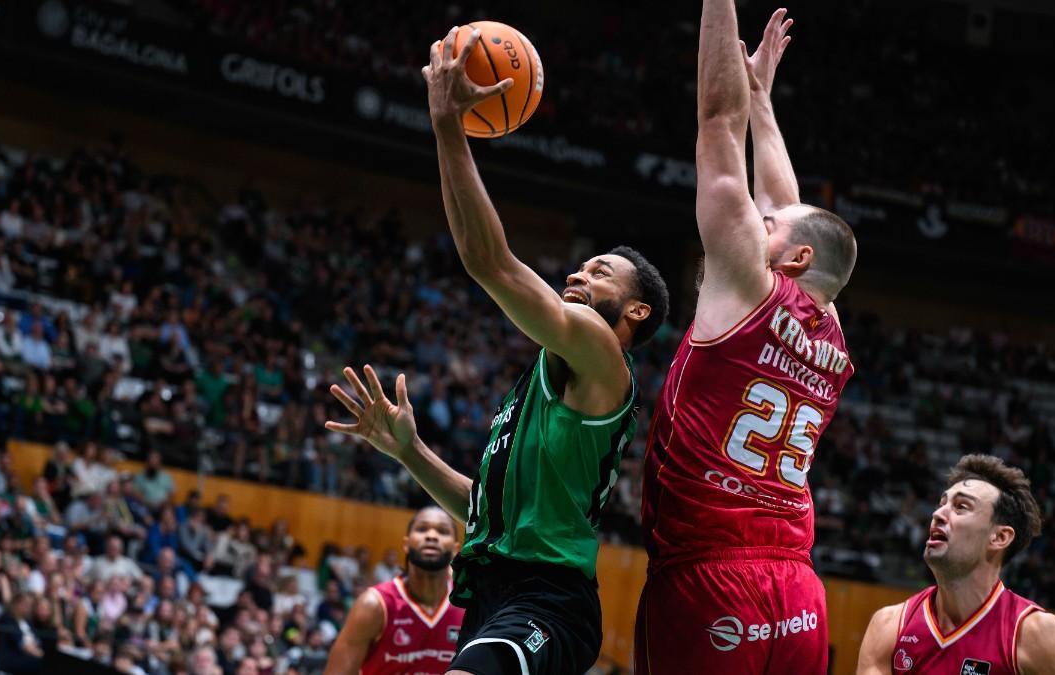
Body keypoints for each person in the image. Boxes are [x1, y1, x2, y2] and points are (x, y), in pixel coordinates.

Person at [326, 26, 670, 675]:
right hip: (494, 595)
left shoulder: (602, 356)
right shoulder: (546, 377)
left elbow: (489, 262)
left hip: (549, 601)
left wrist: (449, 125)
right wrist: (409, 449)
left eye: (599, 272)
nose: (577, 275)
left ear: (636, 311)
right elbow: (483, 508)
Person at [635, 6, 858, 675]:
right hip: (796, 586)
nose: (754, 225)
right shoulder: (834, 331)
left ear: (788, 261)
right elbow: (793, 212)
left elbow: (714, 123)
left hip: (709, 573)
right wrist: (762, 100)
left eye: (766, 229)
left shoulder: (746, 286)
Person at [856, 455, 1055, 674]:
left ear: (999, 537)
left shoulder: (1036, 634)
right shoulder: (889, 626)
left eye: (961, 506)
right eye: (942, 504)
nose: (938, 514)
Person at [323, 506, 465, 675]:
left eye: (442, 531)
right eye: (422, 529)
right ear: (406, 544)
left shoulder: (469, 605)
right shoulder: (374, 605)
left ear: (456, 548)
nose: (432, 536)